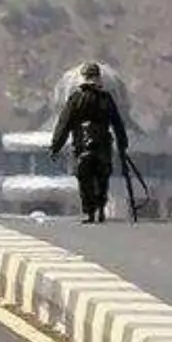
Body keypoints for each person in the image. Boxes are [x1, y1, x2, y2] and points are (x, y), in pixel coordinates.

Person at [50, 61, 128, 223]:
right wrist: (122, 143)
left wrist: (56, 147)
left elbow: (64, 124)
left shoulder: (76, 99)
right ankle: (100, 208)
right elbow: (117, 123)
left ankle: (90, 211)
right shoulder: (106, 99)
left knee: (85, 180)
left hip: (82, 147)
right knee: (102, 178)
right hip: (103, 147)